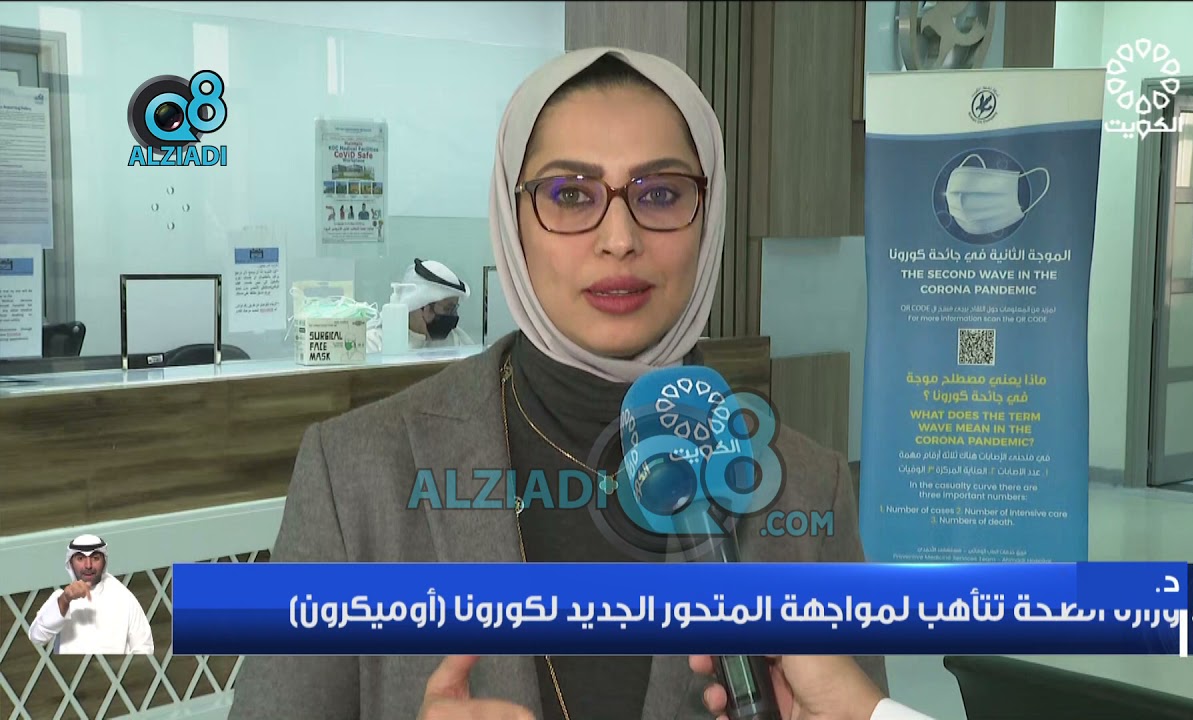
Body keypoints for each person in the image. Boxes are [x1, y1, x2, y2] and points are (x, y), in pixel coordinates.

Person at [229, 47, 927, 720]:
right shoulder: (356, 473)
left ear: (708, 215)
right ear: (512, 221)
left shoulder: (808, 488)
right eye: (569, 194)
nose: (619, 238)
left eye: (661, 193)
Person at [28, 534, 154, 655]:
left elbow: (144, 647)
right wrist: (65, 600)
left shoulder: (124, 597)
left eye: (95, 558)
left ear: (104, 562)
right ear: (70, 563)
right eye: (80, 558)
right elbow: (37, 637)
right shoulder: (62, 598)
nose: (88, 566)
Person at [366, 259, 476, 351]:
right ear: (422, 306)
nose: (453, 317)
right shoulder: (375, 343)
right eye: (448, 309)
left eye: (454, 309)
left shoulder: (453, 340)